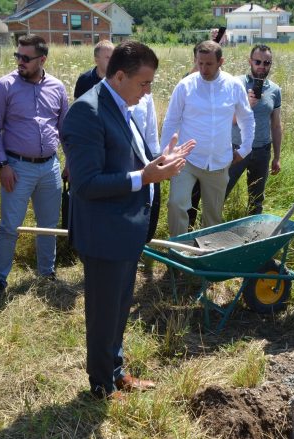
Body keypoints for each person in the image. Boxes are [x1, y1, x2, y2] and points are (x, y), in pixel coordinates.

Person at [61, 41, 195, 400]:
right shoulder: (86, 112)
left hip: (125, 230)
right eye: (144, 83)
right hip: (104, 233)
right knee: (104, 313)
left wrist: (159, 160)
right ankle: (101, 385)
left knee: (118, 308)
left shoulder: (121, 105)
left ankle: (115, 369)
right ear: (119, 76)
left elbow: (130, 159)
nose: (148, 91)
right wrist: (145, 178)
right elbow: (86, 183)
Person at [0, 35, 68, 297]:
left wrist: (71, 162)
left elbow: (65, 129)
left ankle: (47, 273)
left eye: (26, 58)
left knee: (49, 225)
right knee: (10, 226)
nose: (20, 61)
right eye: (17, 56)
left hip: (50, 167)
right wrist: (2, 164)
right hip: (16, 167)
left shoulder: (57, 87)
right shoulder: (4, 86)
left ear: (42, 59)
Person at [161, 40, 254, 237]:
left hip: (219, 161)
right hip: (186, 159)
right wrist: (166, 156)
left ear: (221, 61)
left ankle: (207, 256)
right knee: (176, 204)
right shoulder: (186, 85)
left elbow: (246, 118)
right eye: (200, 63)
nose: (203, 68)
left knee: (213, 215)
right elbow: (171, 121)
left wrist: (245, 149)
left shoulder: (233, 85)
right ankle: (179, 255)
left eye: (209, 64)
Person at [225, 44, 282, 215]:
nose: (262, 66)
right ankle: (211, 232)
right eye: (258, 62)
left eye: (267, 63)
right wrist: (247, 106)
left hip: (262, 150)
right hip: (236, 149)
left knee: (256, 200)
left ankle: (252, 235)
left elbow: (276, 125)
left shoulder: (274, 90)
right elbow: (228, 120)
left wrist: (277, 157)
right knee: (221, 192)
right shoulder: (236, 83)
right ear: (250, 61)